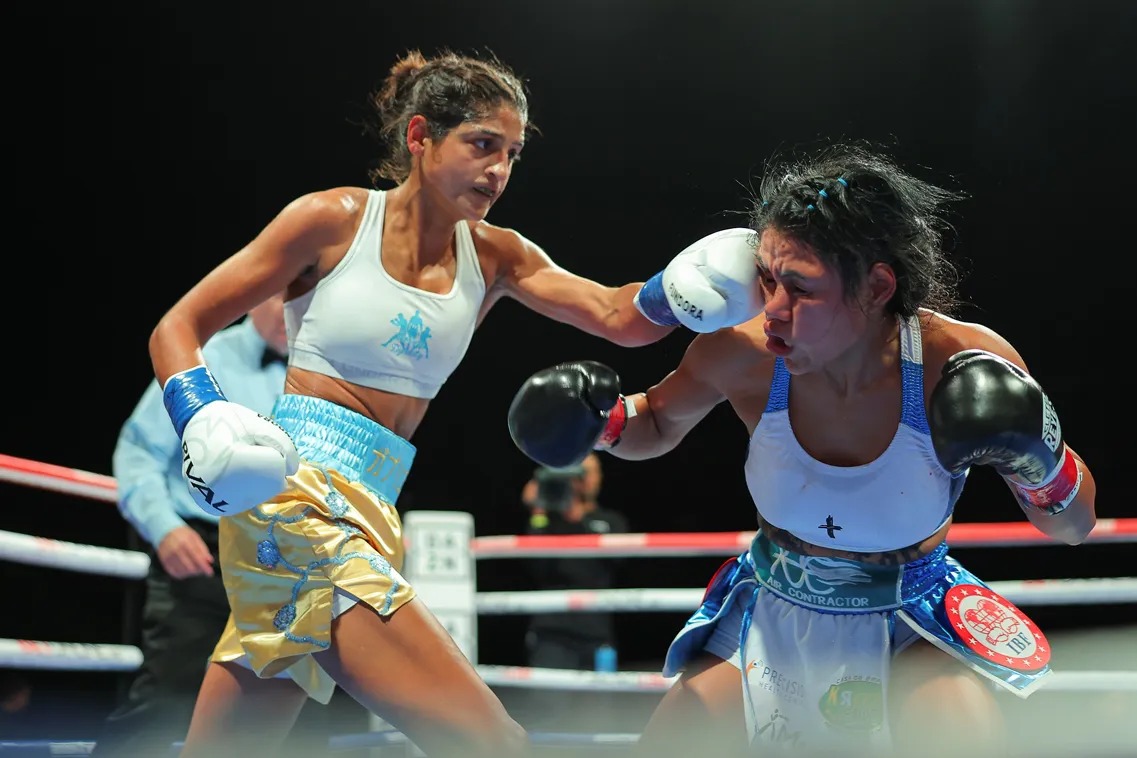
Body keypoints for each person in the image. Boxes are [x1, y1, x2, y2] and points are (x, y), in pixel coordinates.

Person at [148, 48, 764, 758]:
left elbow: (619, 315)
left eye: (511, 154)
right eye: (480, 145)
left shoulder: (495, 255)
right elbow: (178, 327)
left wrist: (704, 278)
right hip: (298, 500)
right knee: (490, 741)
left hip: (373, 503)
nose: (498, 170)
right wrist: (201, 413)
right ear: (419, 137)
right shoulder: (332, 221)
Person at [506, 141, 1098, 757]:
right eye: (766, 279)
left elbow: (1074, 527)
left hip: (910, 620)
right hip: (770, 603)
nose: (773, 311)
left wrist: (1040, 459)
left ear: (875, 287)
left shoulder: (959, 364)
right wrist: (598, 424)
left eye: (800, 288)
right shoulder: (742, 352)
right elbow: (655, 419)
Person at [92, 295, 362, 756]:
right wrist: (165, 528)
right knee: (168, 703)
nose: (288, 311)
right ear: (255, 293)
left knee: (301, 721)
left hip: (300, 564)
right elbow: (139, 451)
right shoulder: (203, 359)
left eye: (305, 299)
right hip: (205, 559)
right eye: (280, 296)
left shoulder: (327, 374)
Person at [517, 454, 628, 732]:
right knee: (548, 715)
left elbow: (617, 559)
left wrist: (576, 515)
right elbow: (536, 564)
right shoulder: (550, 523)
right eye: (579, 472)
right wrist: (539, 511)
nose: (585, 479)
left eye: (590, 472)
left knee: (598, 718)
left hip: (596, 635)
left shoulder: (610, 521)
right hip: (551, 633)